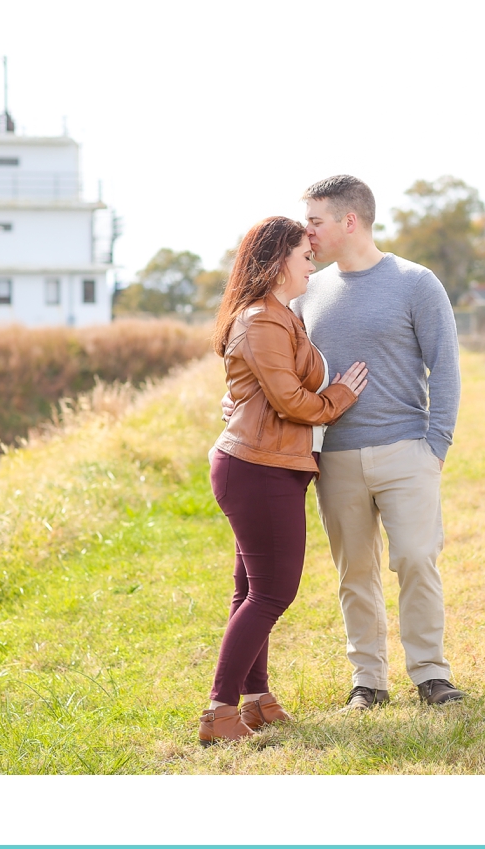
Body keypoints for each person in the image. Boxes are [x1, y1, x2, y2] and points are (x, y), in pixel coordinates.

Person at [223, 175, 465, 710]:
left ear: (348, 221)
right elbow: (277, 364)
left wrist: (436, 446)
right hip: (332, 456)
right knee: (354, 571)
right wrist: (242, 403)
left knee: (418, 559)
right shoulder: (311, 290)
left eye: (315, 222)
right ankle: (368, 682)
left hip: (407, 448)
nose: (307, 235)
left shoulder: (416, 282)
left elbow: (445, 368)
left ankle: (431, 674)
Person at [201, 216, 369, 746]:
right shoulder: (263, 321)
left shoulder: (279, 315)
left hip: (267, 464)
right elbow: (290, 401)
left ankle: (255, 701)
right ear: (277, 265)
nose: (312, 265)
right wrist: (341, 395)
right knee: (273, 592)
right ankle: (218, 711)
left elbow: (262, 392)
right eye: (304, 256)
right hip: (257, 468)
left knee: (251, 589)